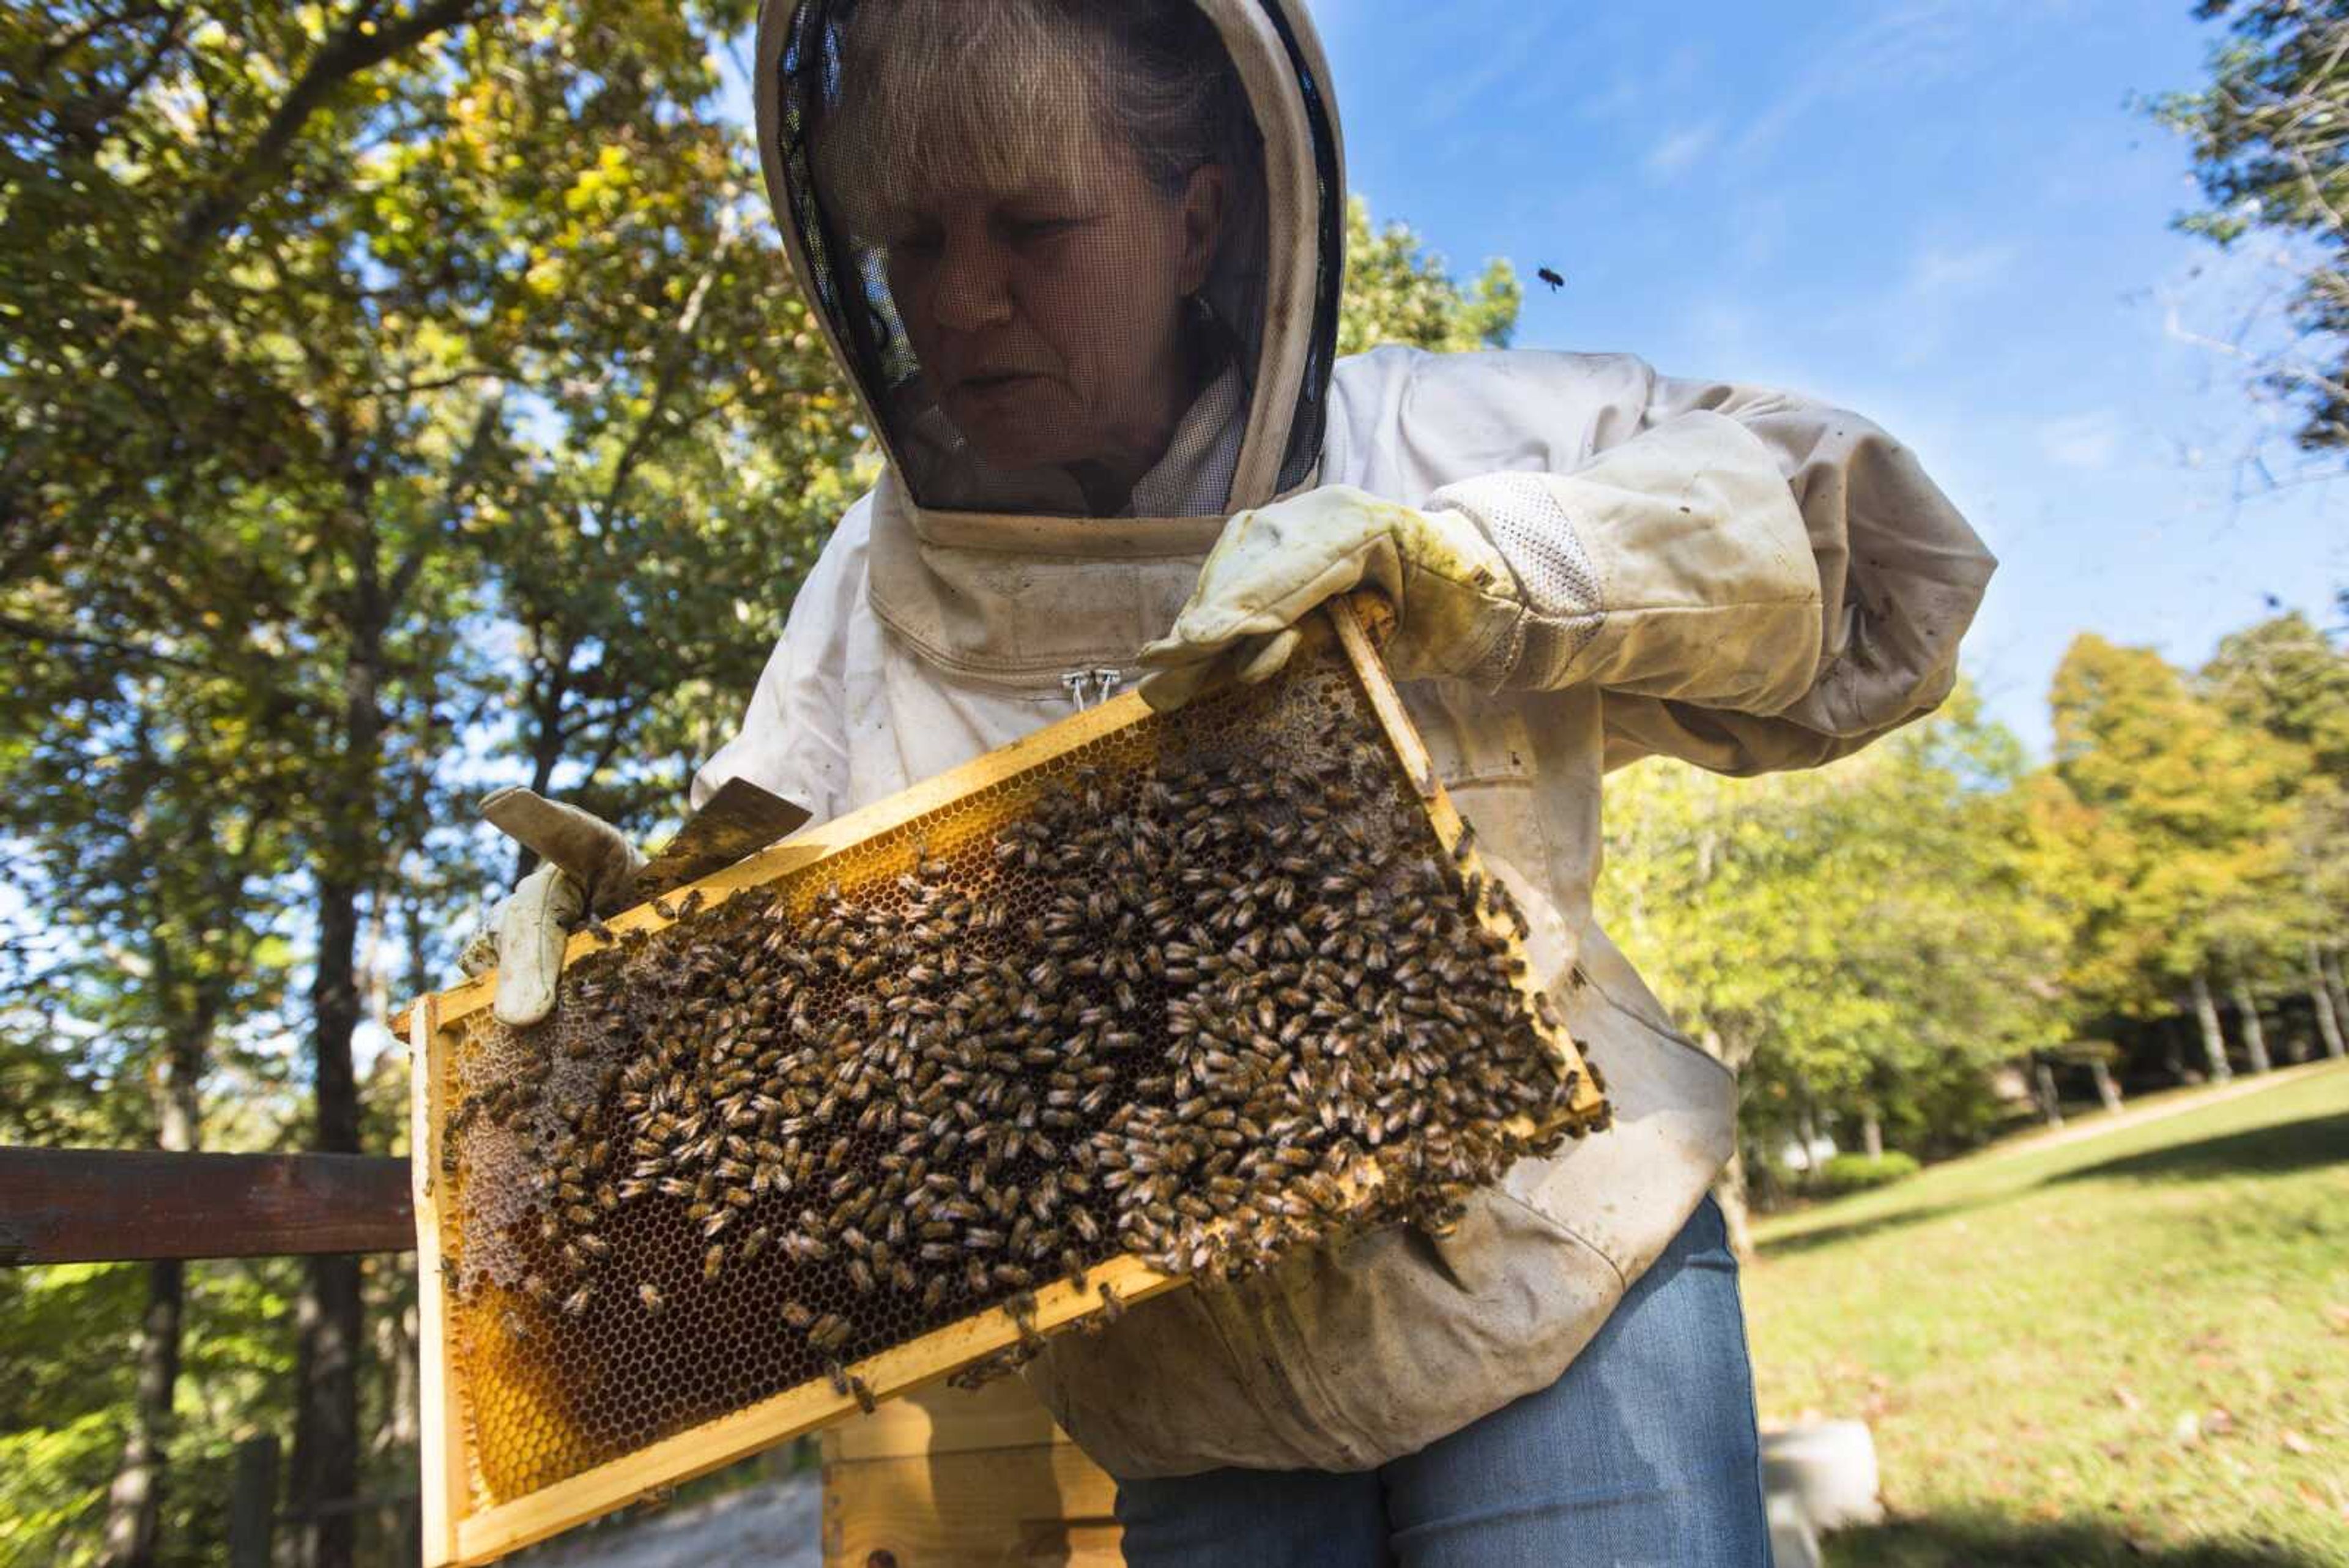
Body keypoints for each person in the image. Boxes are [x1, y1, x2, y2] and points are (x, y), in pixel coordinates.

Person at [469, 1, 1994, 1561]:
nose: (966, 296)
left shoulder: (1431, 433)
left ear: (1199, 220)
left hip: (1558, 1286)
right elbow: (768, 931)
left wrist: (1485, 562)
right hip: (1186, 1410)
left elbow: (1872, 556)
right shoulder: (863, 588)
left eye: (1036, 227)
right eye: (914, 242)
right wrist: (614, 986)